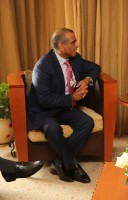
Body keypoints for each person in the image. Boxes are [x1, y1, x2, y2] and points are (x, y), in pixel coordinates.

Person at [26, 28, 101, 183]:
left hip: (64, 107)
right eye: (73, 42)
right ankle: (71, 164)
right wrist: (72, 97)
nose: (77, 45)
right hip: (43, 111)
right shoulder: (43, 66)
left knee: (87, 122)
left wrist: (87, 80)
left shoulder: (75, 58)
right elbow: (43, 99)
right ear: (61, 45)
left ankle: (59, 162)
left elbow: (95, 68)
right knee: (53, 128)